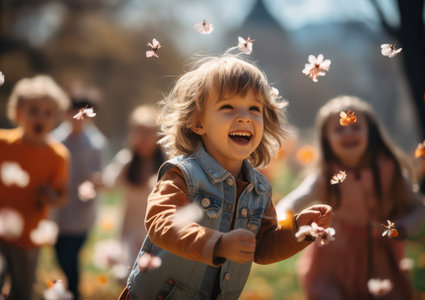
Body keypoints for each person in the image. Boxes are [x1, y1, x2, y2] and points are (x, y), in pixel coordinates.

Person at [118, 53, 334, 300]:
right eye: (228, 107)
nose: (244, 116)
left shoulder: (259, 188)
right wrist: (217, 244)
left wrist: (297, 229)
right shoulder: (182, 175)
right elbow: (161, 224)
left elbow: (261, 247)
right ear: (199, 123)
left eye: (254, 108)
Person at [276, 95, 425, 300]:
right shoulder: (324, 176)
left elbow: (419, 206)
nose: (348, 132)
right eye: (339, 129)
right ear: (326, 138)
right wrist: (284, 220)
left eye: (355, 127)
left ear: (371, 133)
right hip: (332, 263)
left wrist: (404, 226)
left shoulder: (389, 170)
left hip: (381, 261)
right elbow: (292, 201)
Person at [0, 75, 70, 300]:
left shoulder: (58, 156)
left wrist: (51, 196)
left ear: (55, 118)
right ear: (18, 113)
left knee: (22, 292)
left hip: (29, 238)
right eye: (34, 110)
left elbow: (61, 197)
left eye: (48, 112)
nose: (40, 117)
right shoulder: (1, 143)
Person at [51, 86, 106, 300]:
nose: (77, 119)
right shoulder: (55, 140)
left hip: (82, 214)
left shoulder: (95, 144)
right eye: (73, 113)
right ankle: (72, 291)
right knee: (60, 255)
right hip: (58, 212)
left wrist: (94, 184)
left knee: (69, 256)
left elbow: (99, 177)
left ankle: (74, 293)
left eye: (83, 114)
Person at [103, 105, 165, 263]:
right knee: (128, 270)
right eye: (137, 132)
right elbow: (109, 183)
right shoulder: (126, 161)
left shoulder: (165, 164)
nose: (141, 137)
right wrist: (98, 183)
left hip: (156, 229)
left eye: (147, 132)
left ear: (158, 136)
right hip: (129, 229)